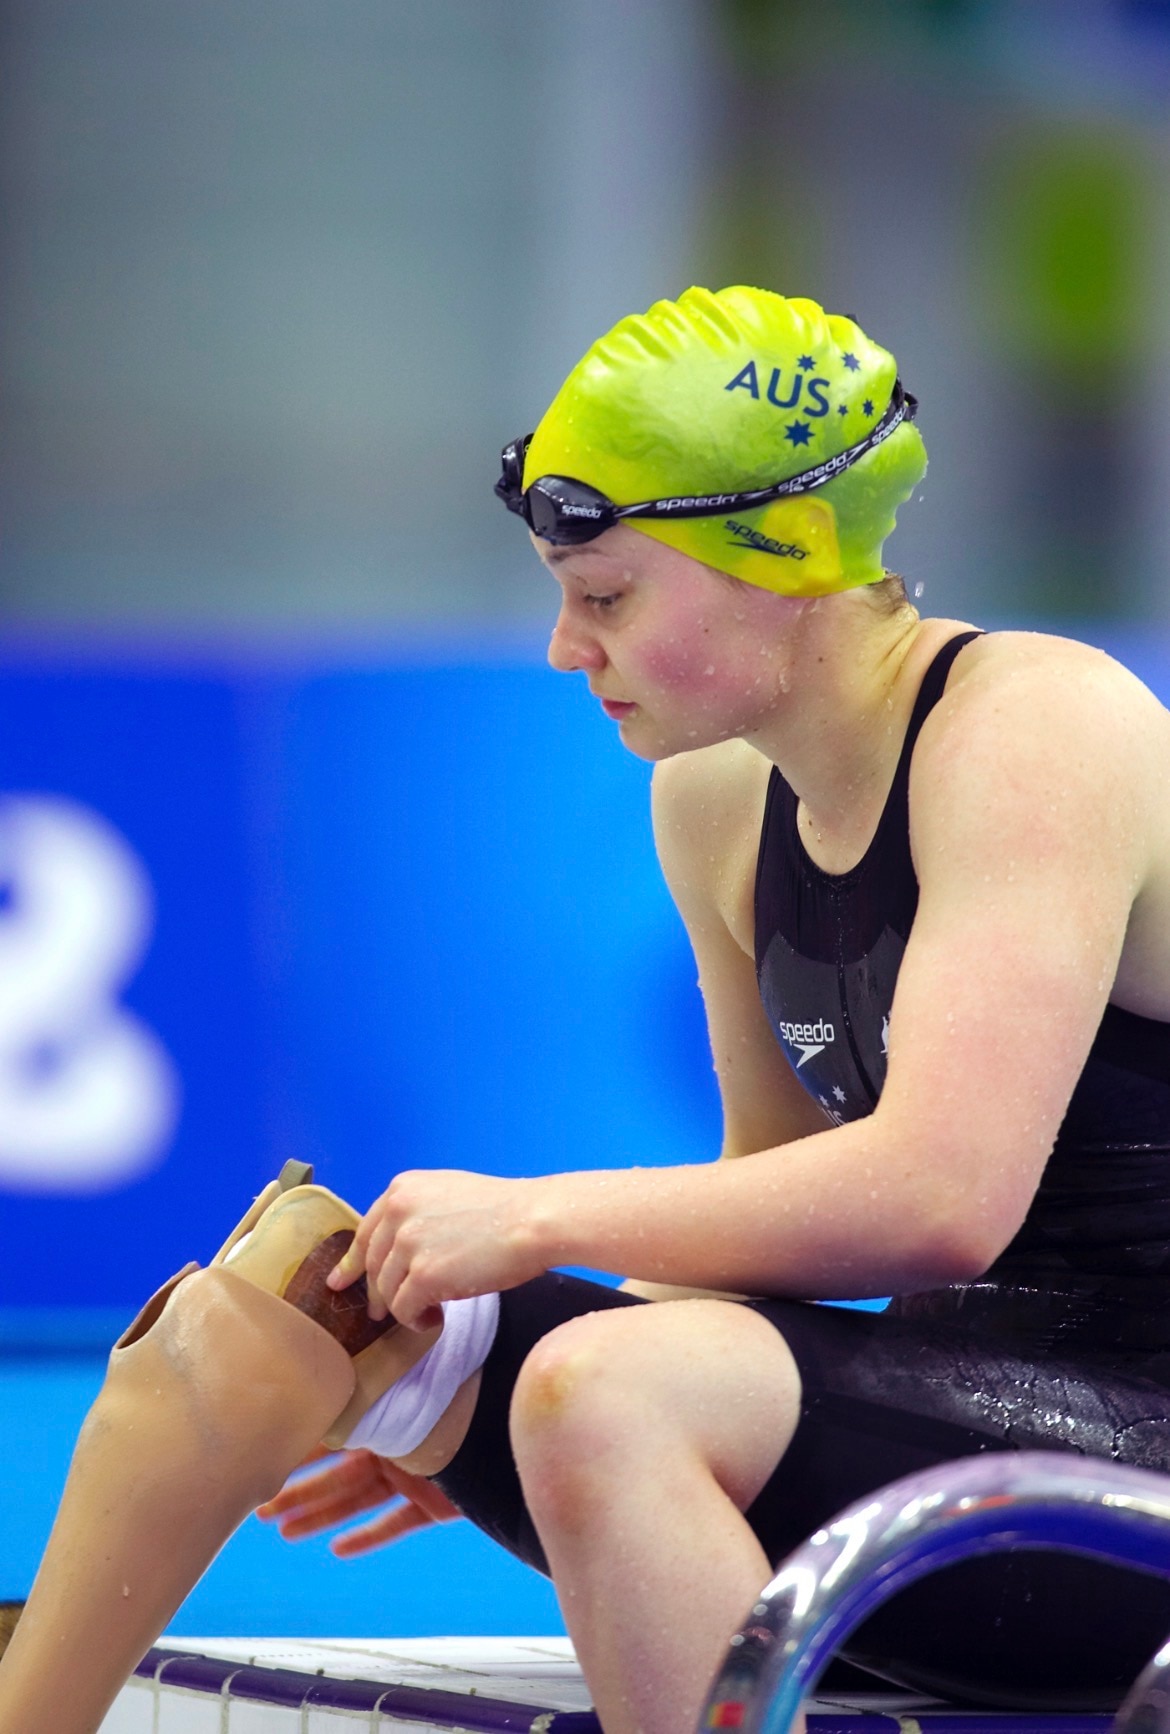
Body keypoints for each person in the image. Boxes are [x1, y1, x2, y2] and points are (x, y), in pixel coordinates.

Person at [5, 286, 1170, 1734]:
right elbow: (765, 1215)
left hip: (1128, 1495)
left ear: (780, 559)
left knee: (607, 1390)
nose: (565, 646)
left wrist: (545, 1230)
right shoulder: (715, 797)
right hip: (958, 1451)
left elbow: (941, 1198)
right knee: (314, 1293)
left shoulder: (1037, 726)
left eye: (607, 594)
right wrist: (457, 1394)